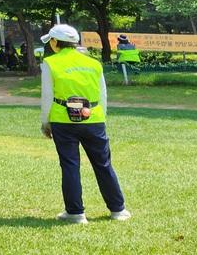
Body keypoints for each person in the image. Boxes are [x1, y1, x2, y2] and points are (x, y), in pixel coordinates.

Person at [39, 24, 130, 224]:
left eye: (51, 42)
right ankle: (118, 210)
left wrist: (45, 122)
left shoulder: (50, 63)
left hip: (63, 120)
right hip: (94, 118)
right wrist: (101, 118)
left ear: (55, 43)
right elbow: (103, 95)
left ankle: (76, 213)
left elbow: (47, 96)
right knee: (103, 164)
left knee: (70, 165)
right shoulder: (93, 64)